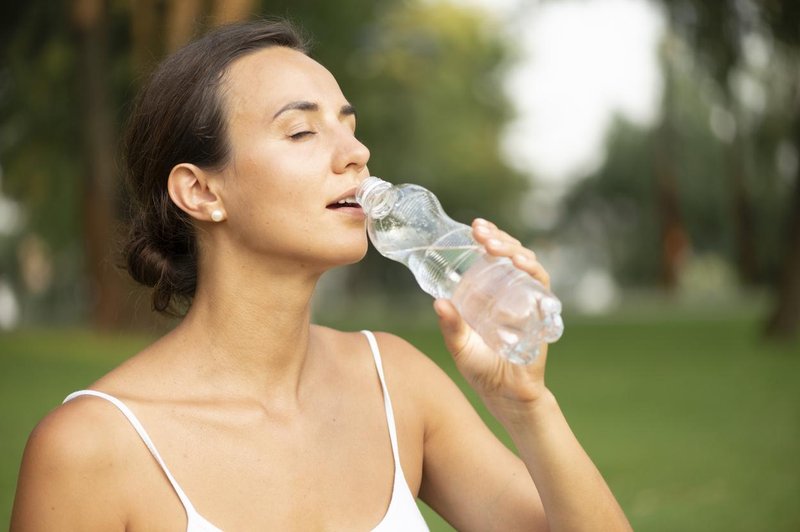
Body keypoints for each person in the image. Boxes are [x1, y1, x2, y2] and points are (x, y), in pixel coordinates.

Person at [10, 19, 631, 532]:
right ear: (200, 191)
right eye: (302, 130)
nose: (355, 154)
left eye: (349, 126)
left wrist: (528, 406)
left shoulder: (398, 386)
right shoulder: (91, 448)